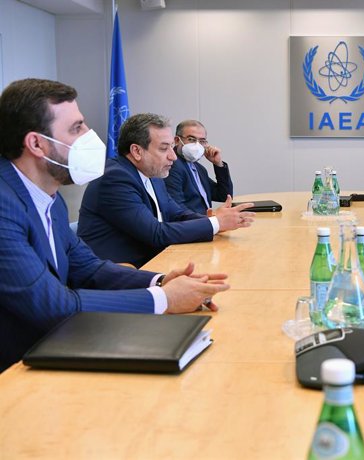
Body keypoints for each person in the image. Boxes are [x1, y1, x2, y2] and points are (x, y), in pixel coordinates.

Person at [0, 78, 230, 371]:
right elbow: (52, 307)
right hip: (13, 370)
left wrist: (160, 281)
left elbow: (89, 268)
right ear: (36, 143)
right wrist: (163, 299)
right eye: (76, 128)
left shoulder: (50, 198)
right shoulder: (4, 205)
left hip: (53, 346)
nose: (89, 136)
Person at [78, 113, 255, 268]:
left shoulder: (153, 175)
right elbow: (156, 233)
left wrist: (215, 220)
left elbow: (177, 213)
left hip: (154, 261)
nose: (172, 156)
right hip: (121, 274)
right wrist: (216, 223)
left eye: (171, 147)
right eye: (164, 148)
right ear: (137, 151)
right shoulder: (115, 179)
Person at [164, 119, 233, 214]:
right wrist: (211, 221)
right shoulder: (171, 165)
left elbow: (224, 196)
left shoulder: (199, 168)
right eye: (191, 139)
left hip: (205, 224)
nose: (197, 144)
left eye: (202, 141)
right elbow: (177, 209)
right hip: (193, 225)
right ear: (176, 140)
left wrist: (218, 164)